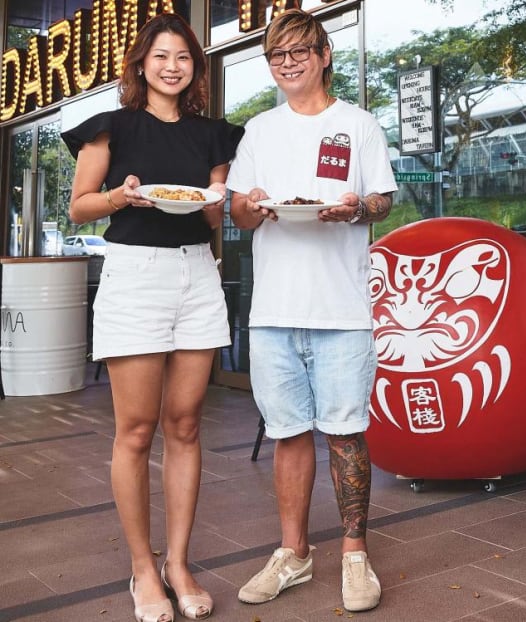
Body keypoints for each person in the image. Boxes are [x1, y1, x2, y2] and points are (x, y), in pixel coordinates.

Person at [61, 12, 244, 622]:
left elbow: (214, 214)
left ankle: (179, 562)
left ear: (196, 67)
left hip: (197, 272)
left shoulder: (214, 135)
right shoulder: (111, 127)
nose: (173, 66)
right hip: (135, 273)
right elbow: (80, 208)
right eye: (161, 55)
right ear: (142, 64)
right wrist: (123, 195)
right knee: (136, 430)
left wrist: (234, 200)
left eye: (184, 58)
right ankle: (143, 567)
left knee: (186, 424)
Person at [226, 8, 397, 614]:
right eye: (277, 55)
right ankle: (293, 554)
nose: (289, 62)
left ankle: (355, 554)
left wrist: (357, 207)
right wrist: (248, 204)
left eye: (300, 50)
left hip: (342, 309)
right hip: (274, 310)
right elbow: (240, 213)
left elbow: (380, 199)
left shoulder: (359, 124)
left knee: (347, 432)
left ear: (325, 54)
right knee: (289, 436)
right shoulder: (259, 130)